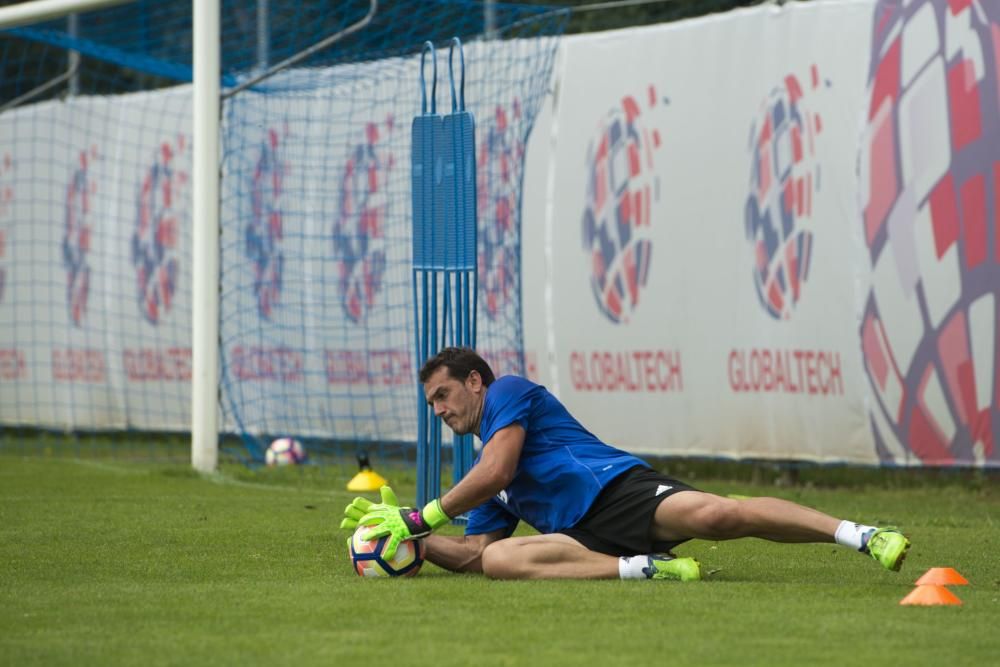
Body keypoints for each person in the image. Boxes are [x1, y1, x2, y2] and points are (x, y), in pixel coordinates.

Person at [341, 347, 911, 581]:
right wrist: (406, 541)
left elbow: (500, 472)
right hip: (581, 539)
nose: (439, 410)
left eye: (443, 396)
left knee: (719, 517)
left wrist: (423, 518)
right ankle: (648, 570)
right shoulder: (477, 467)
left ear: (473, 382)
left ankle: (860, 534)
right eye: (432, 404)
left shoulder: (508, 392)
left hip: (618, 490)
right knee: (498, 561)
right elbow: (471, 551)